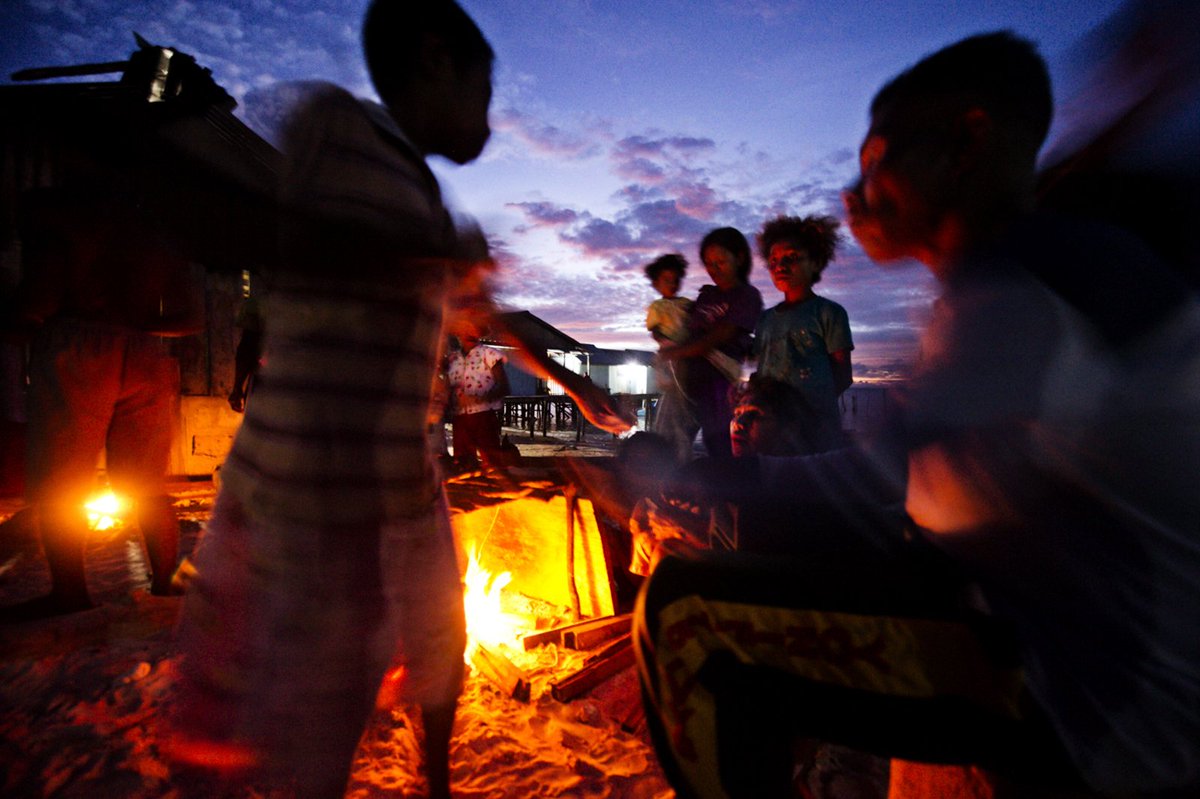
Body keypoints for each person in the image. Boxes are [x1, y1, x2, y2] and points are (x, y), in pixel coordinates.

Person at [635, 31, 1200, 799]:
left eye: (877, 160)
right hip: (1035, 621)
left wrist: (691, 475)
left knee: (685, 612)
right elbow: (923, 475)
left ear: (967, 144)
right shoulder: (1028, 272)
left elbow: (877, 474)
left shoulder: (1031, 288)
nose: (856, 192)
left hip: (1090, 705)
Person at [169, 3, 633, 799]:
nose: (489, 118)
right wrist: (411, 256)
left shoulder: (426, 203)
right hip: (312, 474)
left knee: (439, 638)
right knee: (316, 689)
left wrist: (576, 384)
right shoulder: (337, 126)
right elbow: (267, 215)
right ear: (434, 60)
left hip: (401, 469)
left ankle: (438, 778)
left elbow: (492, 315)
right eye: (485, 92)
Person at [0, 183, 203, 621]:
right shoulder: (158, 235)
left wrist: (18, 321)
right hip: (147, 352)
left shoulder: (65, 219)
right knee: (147, 483)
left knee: (60, 481)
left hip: (78, 348)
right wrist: (136, 326)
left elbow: (40, 299)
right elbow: (191, 319)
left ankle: (70, 592)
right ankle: (166, 580)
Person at [657, 227, 763, 461]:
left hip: (719, 381)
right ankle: (672, 480)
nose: (714, 269)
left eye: (720, 262)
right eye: (709, 264)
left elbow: (723, 334)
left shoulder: (746, 295)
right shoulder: (707, 295)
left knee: (719, 440)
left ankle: (727, 479)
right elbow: (685, 328)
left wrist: (680, 351)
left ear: (740, 258)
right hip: (687, 377)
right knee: (669, 437)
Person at [753, 214, 853, 451]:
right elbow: (765, 368)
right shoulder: (764, 320)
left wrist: (807, 410)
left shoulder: (829, 313)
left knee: (814, 472)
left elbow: (843, 374)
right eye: (774, 261)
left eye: (791, 258)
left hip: (816, 430)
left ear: (815, 263)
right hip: (773, 430)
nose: (780, 266)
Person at [642, 253, 694, 443]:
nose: (672, 284)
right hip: (669, 352)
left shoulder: (687, 304)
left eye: (675, 280)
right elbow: (654, 330)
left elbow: (697, 323)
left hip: (688, 353)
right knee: (673, 391)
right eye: (667, 280)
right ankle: (672, 435)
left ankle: (679, 431)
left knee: (684, 393)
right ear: (656, 284)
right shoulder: (657, 307)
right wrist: (666, 343)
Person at [445, 322, 509, 472]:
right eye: (465, 329)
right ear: (458, 333)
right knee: (463, 465)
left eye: (474, 329)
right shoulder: (452, 359)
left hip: (484, 417)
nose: (470, 333)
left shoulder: (489, 354)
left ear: (480, 333)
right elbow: (447, 389)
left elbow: (504, 387)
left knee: (493, 465)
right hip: (460, 419)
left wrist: (480, 399)